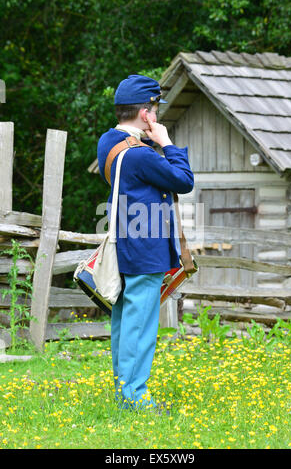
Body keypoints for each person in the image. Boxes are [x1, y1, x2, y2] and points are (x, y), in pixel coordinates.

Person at [97, 74, 194, 412]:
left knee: (125, 322)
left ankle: (125, 392)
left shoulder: (108, 141)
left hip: (124, 244)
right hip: (144, 246)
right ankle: (135, 399)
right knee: (141, 326)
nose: (157, 113)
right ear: (146, 112)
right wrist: (166, 143)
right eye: (155, 107)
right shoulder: (141, 155)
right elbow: (183, 181)